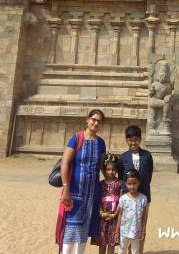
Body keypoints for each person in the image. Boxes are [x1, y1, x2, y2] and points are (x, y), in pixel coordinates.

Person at [57, 109, 107, 254]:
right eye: (93, 119)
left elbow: (102, 166)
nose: (95, 123)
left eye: (99, 121)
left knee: (84, 228)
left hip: (92, 193)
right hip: (74, 191)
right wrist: (66, 189)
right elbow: (65, 163)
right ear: (87, 119)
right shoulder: (76, 139)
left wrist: (115, 181)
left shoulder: (101, 143)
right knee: (70, 227)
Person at [118, 126, 153, 254]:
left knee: (141, 227)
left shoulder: (147, 156)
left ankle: (139, 251)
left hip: (143, 196)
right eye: (130, 140)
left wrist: (141, 193)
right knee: (127, 227)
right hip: (128, 198)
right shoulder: (123, 157)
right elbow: (122, 178)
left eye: (136, 139)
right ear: (127, 140)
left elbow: (149, 175)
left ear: (140, 139)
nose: (133, 143)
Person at [92, 153, 122, 254]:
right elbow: (98, 199)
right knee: (102, 242)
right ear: (104, 170)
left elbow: (122, 201)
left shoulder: (119, 184)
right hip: (102, 218)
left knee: (112, 243)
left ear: (117, 170)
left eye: (113, 169)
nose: (111, 172)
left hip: (115, 217)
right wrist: (101, 213)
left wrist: (115, 214)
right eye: (108, 169)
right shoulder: (101, 184)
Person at [115, 170, 149, 254]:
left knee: (135, 251)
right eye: (129, 184)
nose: (132, 186)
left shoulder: (143, 199)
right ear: (125, 184)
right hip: (124, 230)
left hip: (137, 231)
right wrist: (117, 231)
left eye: (134, 183)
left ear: (139, 183)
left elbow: (144, 216)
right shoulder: (123, 198)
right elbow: (120, 215)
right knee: (122, 250)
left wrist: (143, 230)